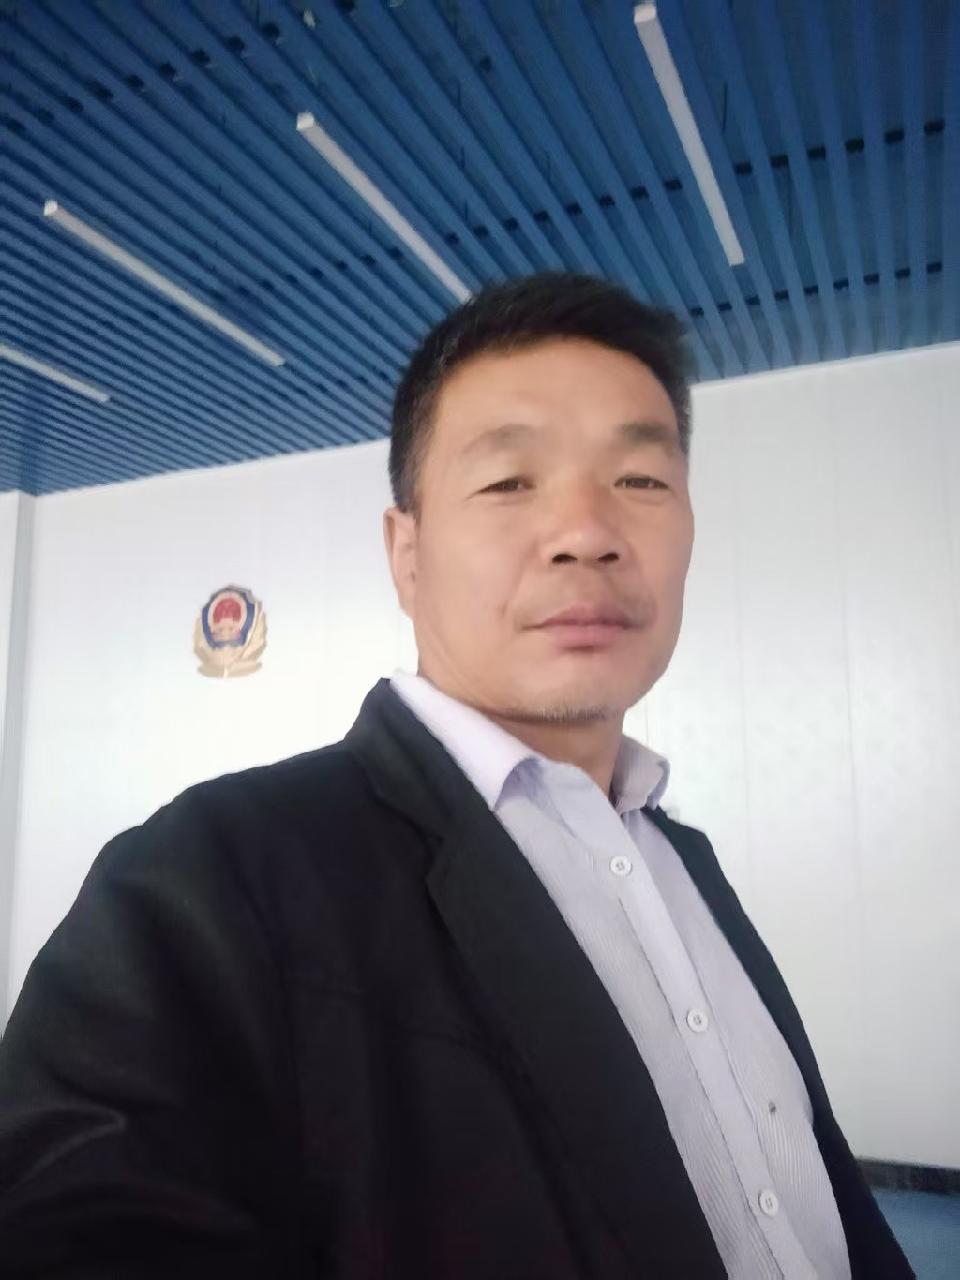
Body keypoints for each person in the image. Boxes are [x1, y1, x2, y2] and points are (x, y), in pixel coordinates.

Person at [0, 274, 912, 1278]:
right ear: (407, 552)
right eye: (510, 482)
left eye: (641, 480)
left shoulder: (682, 859)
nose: (587, 531)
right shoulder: (214, 875)